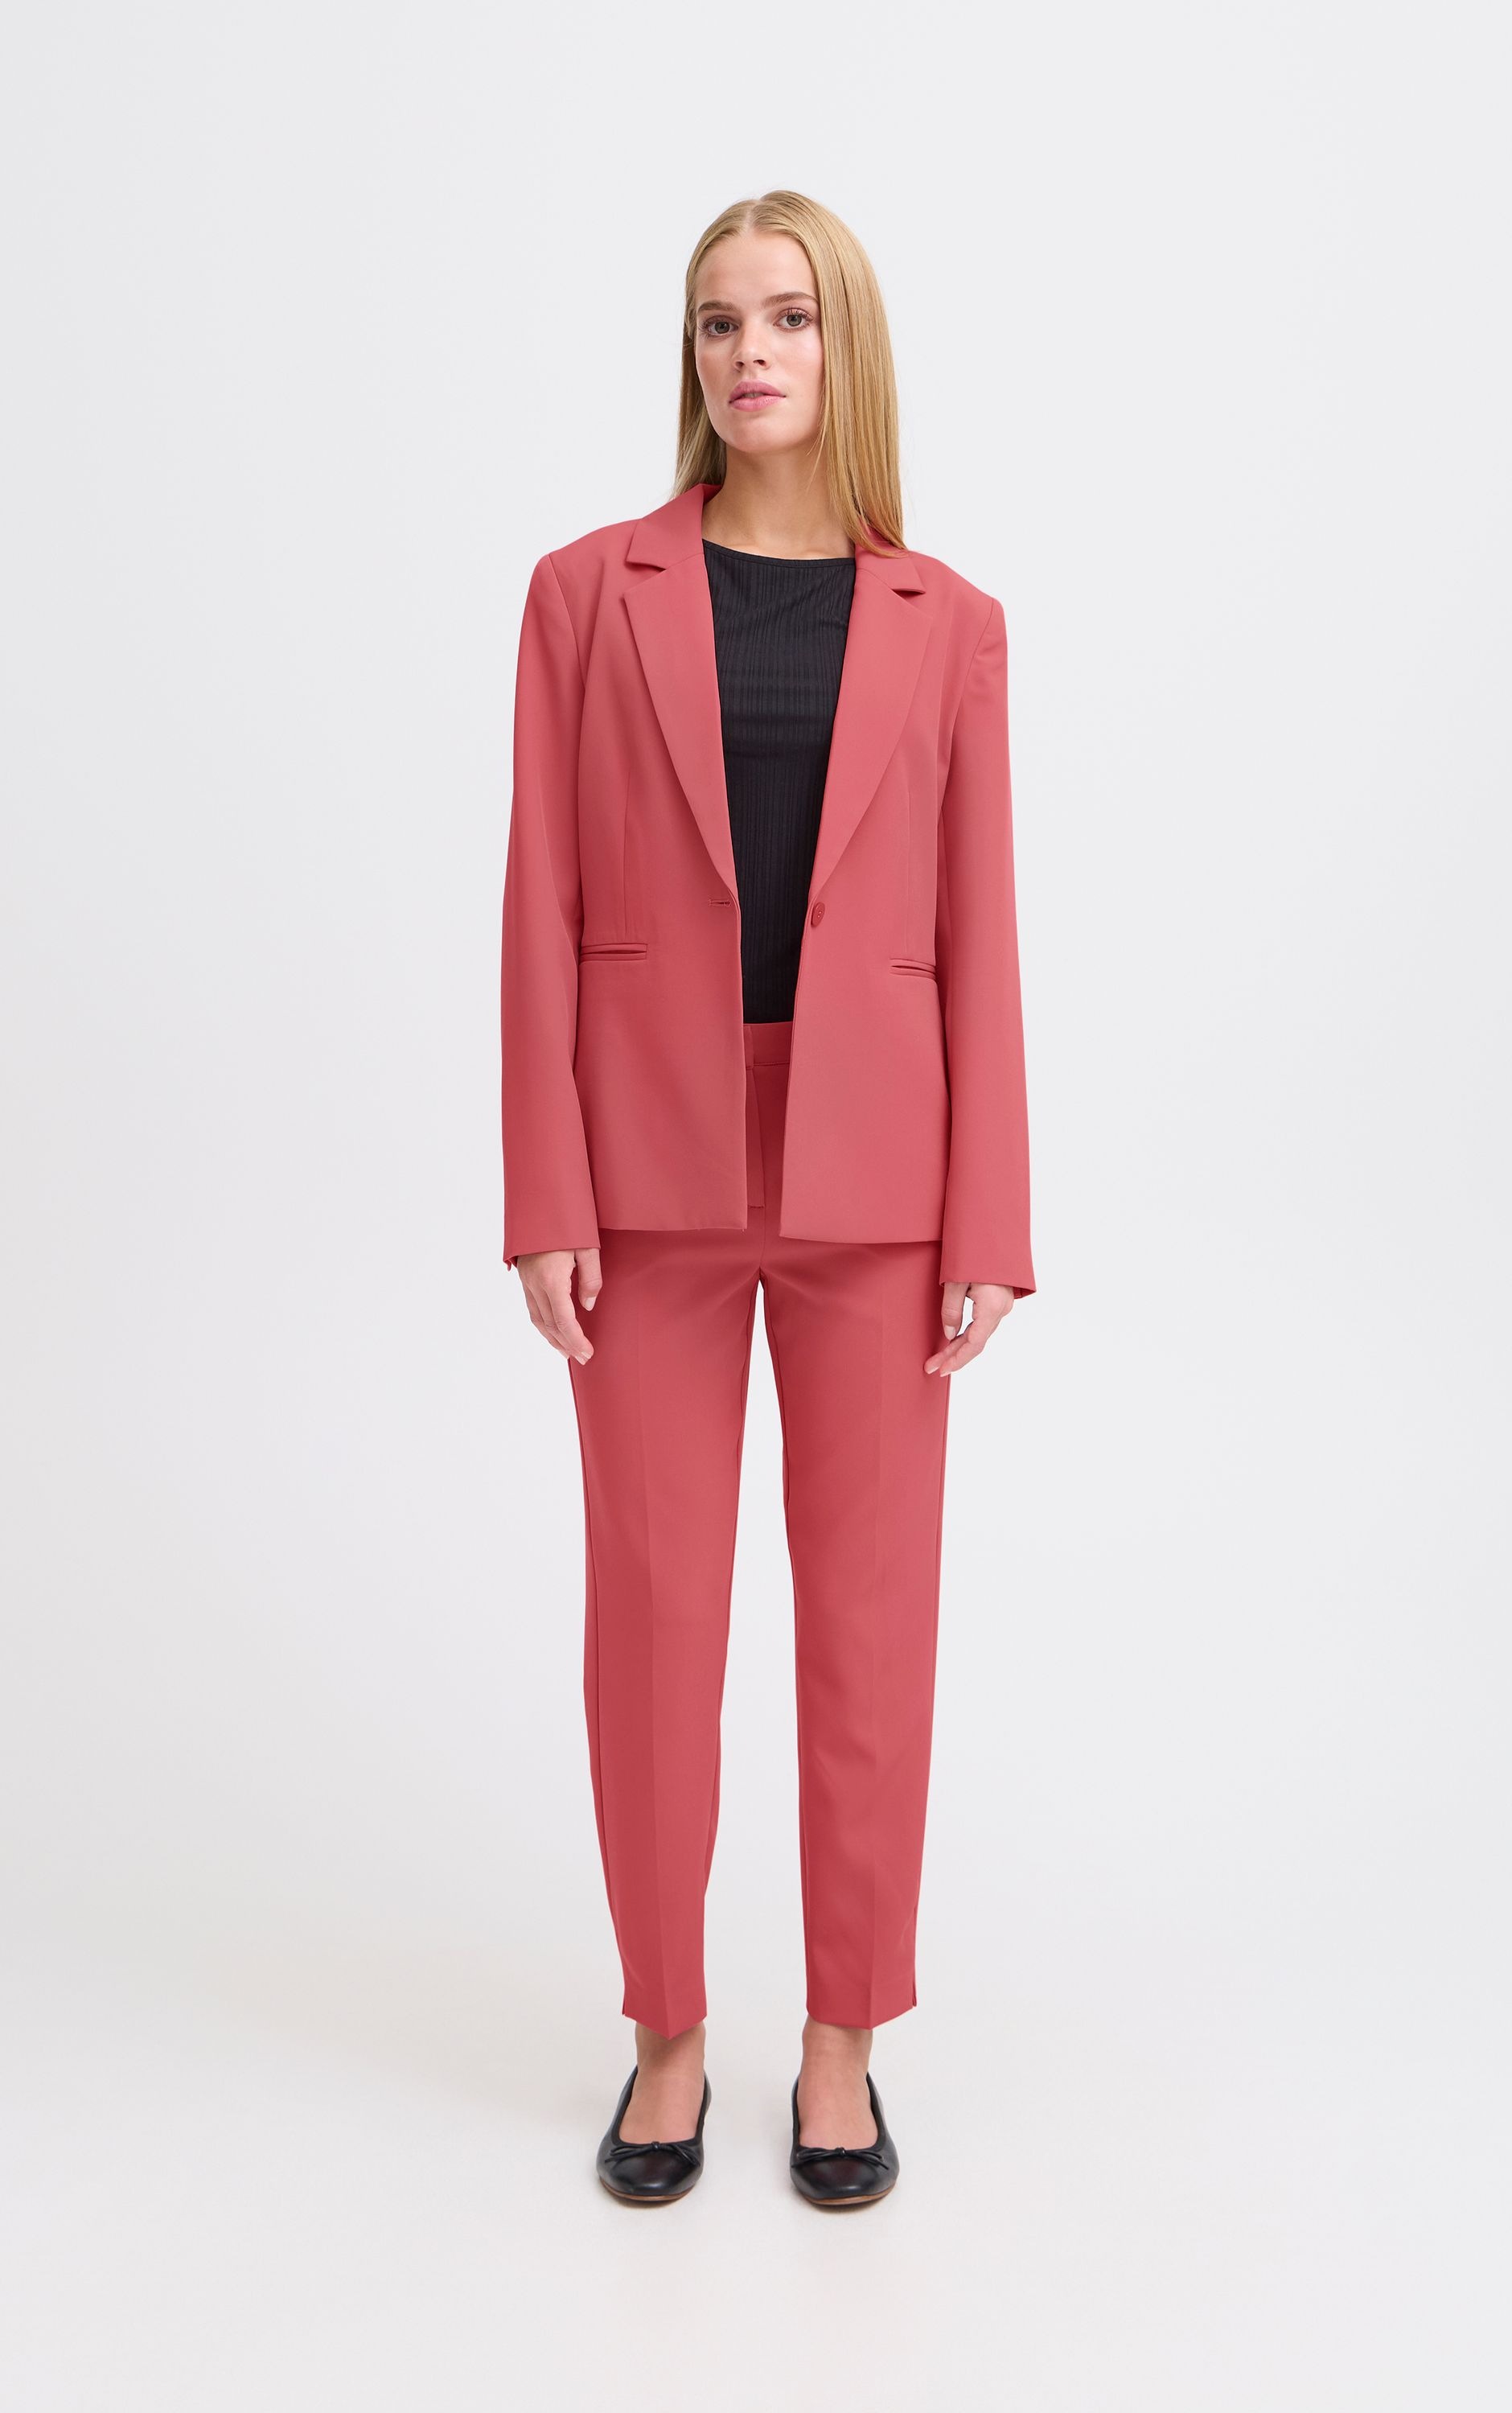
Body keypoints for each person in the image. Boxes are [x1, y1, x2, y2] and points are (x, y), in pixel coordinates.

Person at [501, 189, 1034, 2209]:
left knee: (869, 1624)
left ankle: (840, 2042)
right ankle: (665, 2033)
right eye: (720, 321)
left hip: (878, 1175)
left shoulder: (950, 624)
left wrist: (989, 1214)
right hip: (643, 1167)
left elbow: (979, 934)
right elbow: (538, 902)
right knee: (652, 1617)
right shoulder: (584, 594)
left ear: (843, 348)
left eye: (789, 318)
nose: (751, 353)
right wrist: (543, 1183)